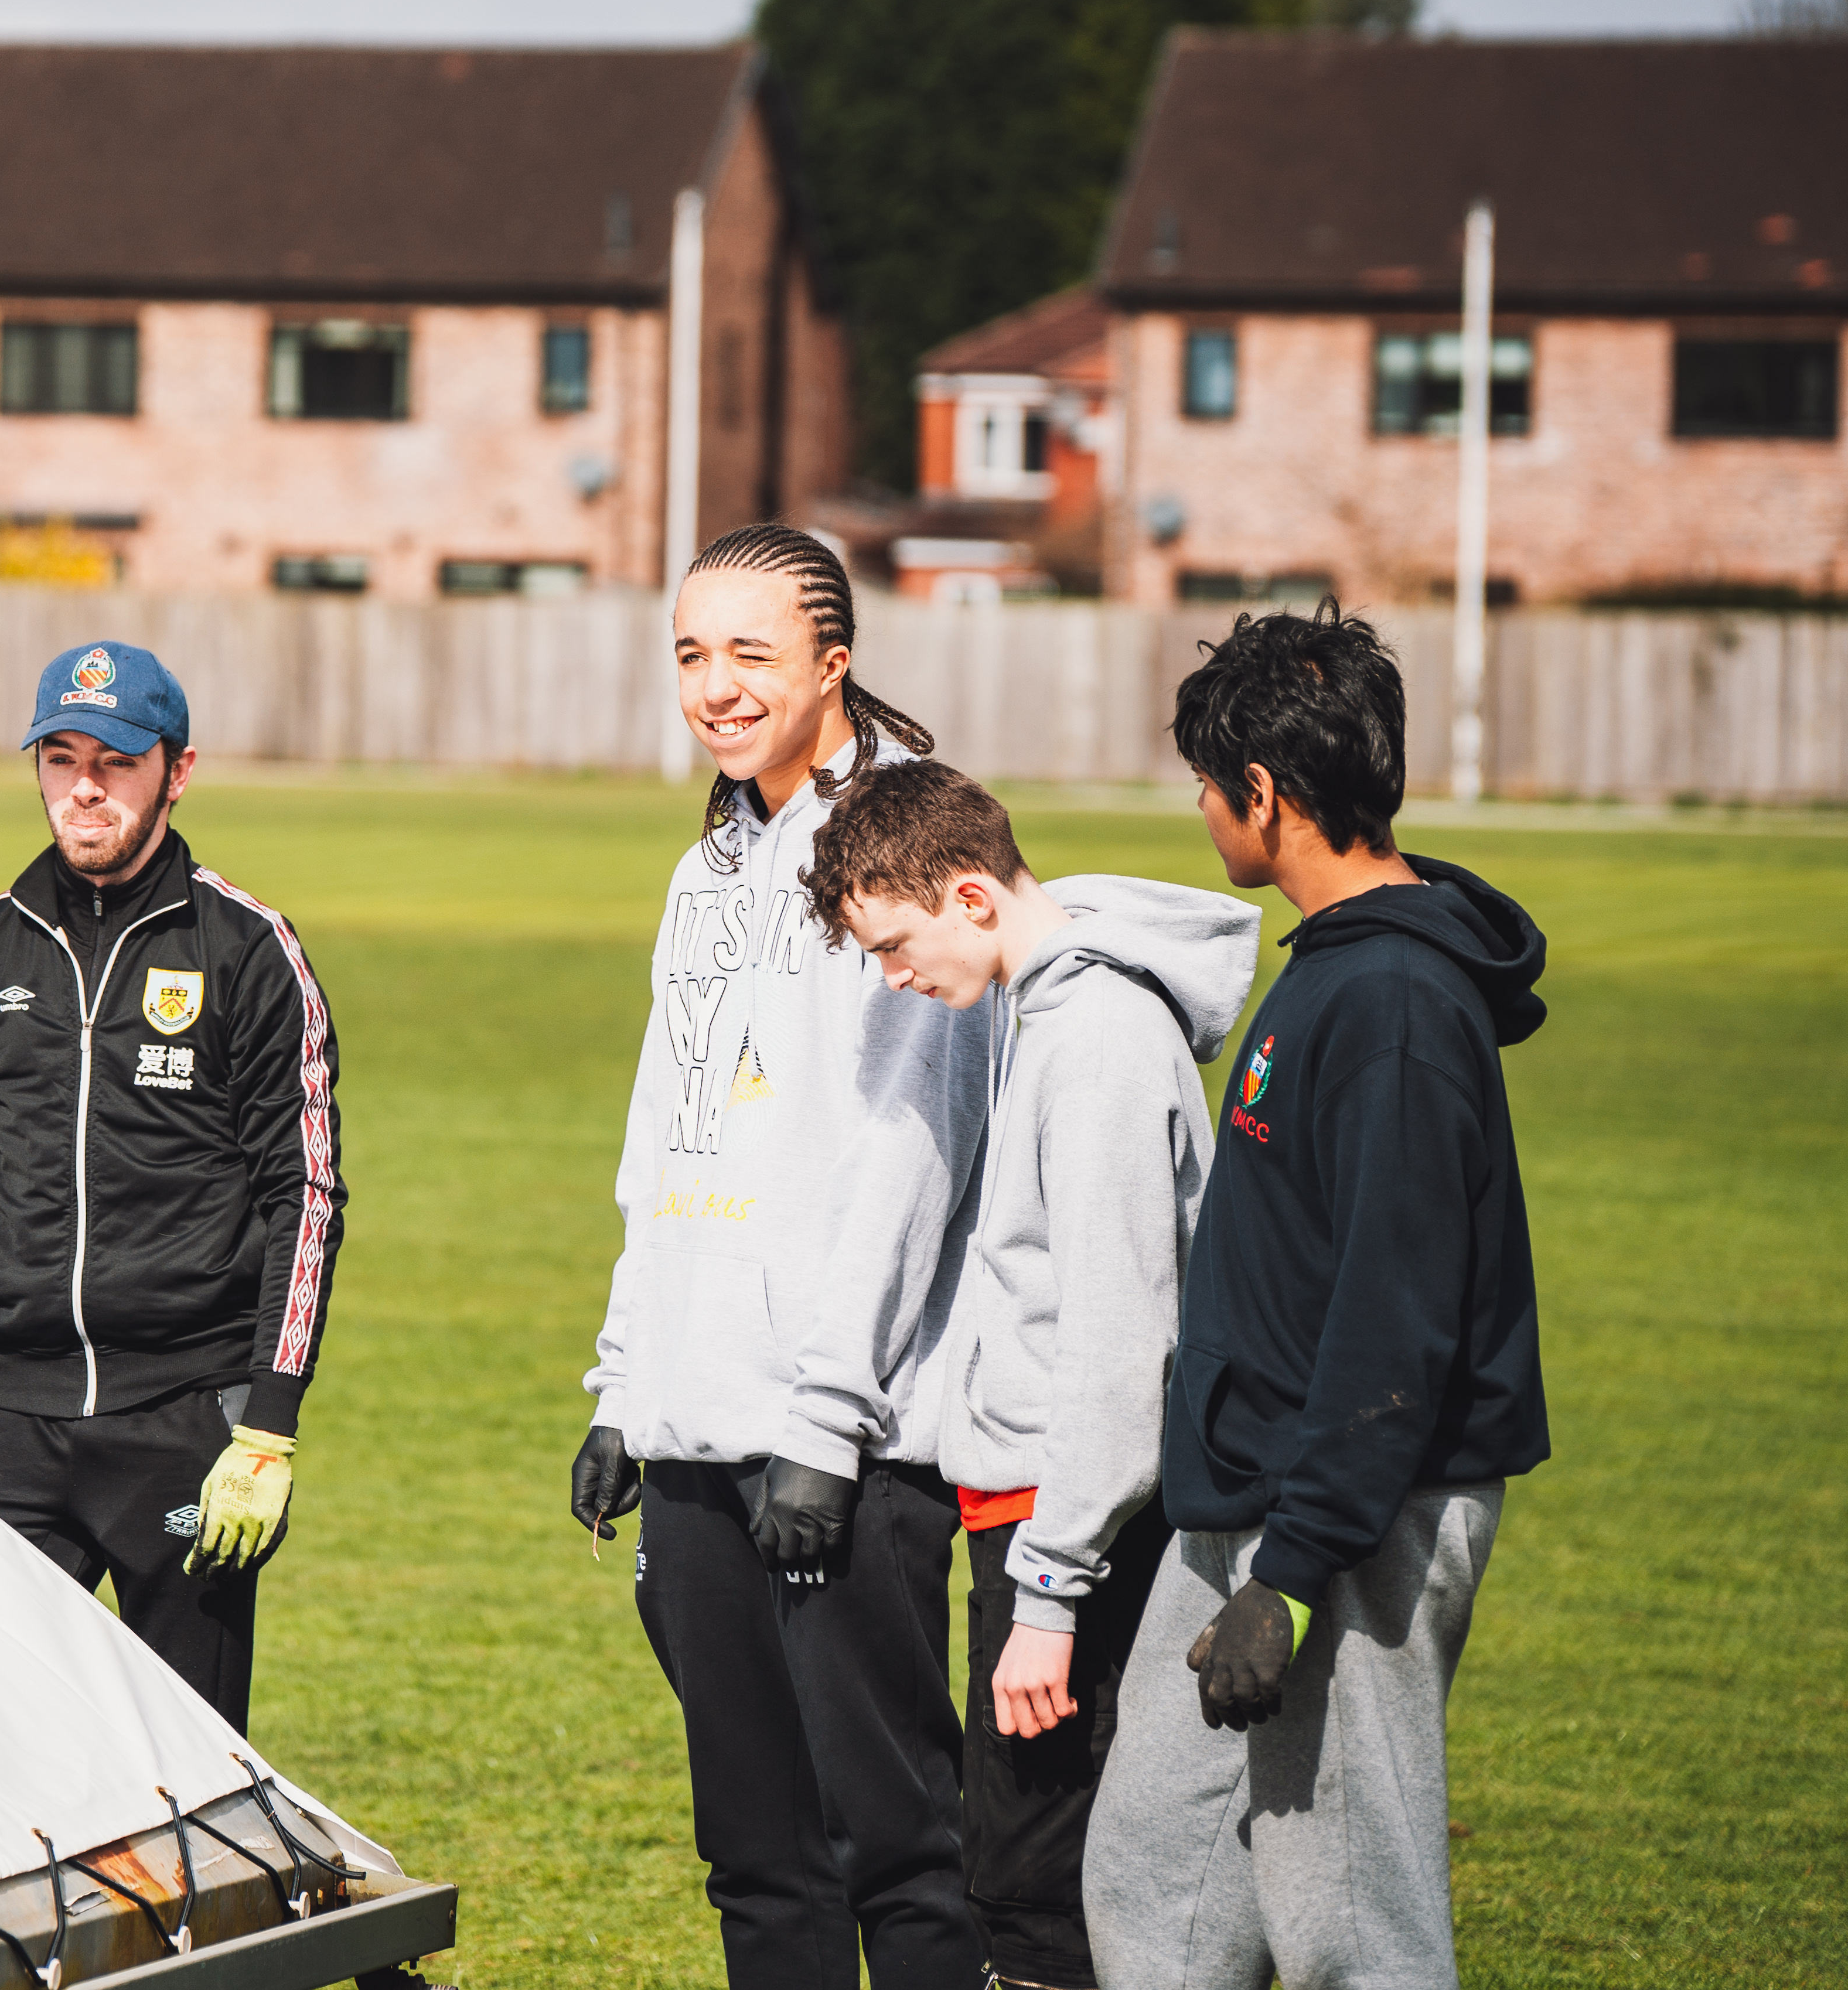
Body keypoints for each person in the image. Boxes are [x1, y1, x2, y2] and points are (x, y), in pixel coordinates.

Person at [1085, 606, 1549, 1990]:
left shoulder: (1396, 1003)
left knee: (1351, 1916)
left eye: (1205, 785)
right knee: (1157, 1876)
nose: (1201, 811)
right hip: (1247, 1502)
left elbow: (1394, 1316)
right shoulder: (1332, 970)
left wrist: (1290, 1573)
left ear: (1264, 794)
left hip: (1345, 1517)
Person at [568, 521, 994, 1990]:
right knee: (754, 1857)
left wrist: (823, 1420)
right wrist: (627, 1383)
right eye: (692, 652)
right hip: (696, 1428)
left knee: (898, 1850)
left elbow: (908, 1156)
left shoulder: (897, 846)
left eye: (752, 652)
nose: (717, 685)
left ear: (835, 658)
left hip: (839, 1448)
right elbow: (663, 1148)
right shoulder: (708, 868)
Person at [800, 760, 1263, 1990]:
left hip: (1073, 1543)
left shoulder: (1097, 1040)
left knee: (1041, 1897)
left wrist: (1047, 1598)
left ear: (965, 895)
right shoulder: (1040, 1010)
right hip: (1034, 1521)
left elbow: (1120, 1337)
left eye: (893, 946)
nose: (893, 979)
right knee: (1021, 1880)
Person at [0, 640, 343, 1732]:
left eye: (117, 761)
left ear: (176, 772)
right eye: (61, 757)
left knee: (194, 1776)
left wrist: (265, 1428)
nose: (85, 786)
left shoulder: (249, 949)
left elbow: (302, 1194)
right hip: (8, 1429)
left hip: (184, 1424)